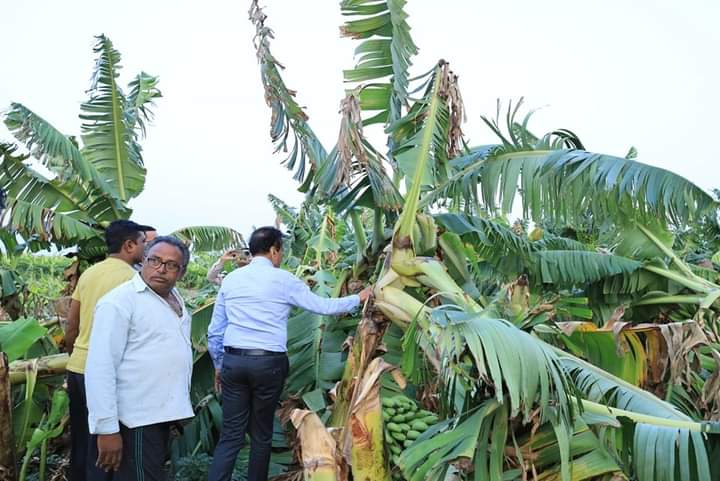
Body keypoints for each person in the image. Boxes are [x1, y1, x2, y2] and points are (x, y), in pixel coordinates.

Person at [207, 226, 372, 481]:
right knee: (261, 434)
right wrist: (358, 298)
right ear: (274, 250)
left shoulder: (232, 280)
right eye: (280, 250)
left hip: (234, 360)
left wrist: (220, 364)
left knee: (231, 435)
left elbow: (215, 330)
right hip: (268, 363)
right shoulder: (284, 280)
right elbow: (322, 306)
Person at [85, 236, 194, 481]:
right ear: (143, 260)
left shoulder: (174, 297)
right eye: (154, 260)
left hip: (159, 415)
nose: (160, 269)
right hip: (135, 419)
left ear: (182, 272)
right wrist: (107, 429)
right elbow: (100, 368)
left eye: (171, 265)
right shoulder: (119, 303)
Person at [65, 220, 153, 481]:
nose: (146, 250)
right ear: (129, 245)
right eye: (143, 244)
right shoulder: (134, 280)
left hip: (78, 368)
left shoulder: (90, 273)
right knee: (107, 448)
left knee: (82, 440)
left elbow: (72, 324)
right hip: (109, 374)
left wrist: (76, 355)